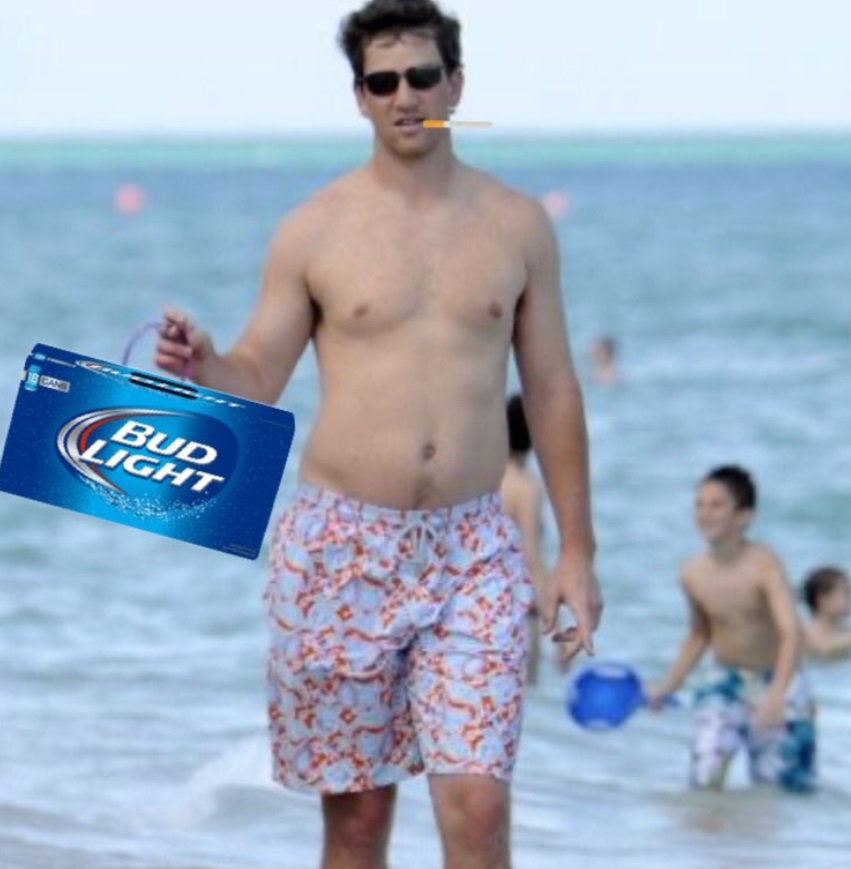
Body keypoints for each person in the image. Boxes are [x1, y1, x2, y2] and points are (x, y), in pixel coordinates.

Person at [155, 1, 601, 865]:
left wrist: (577, 548)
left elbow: (550, 388)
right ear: (359, 97)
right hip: (339, 543)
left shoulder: (516, 225)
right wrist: (203, 363)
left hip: (473, 545)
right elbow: (256, 376)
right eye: (382, 81)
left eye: (422, 76)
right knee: (355, 823)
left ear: (456, 84)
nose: (405, 96)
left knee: (476, 809)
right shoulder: (313, 229)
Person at [647, 465, 816, 794]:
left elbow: (791, 631)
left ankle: (765, 845)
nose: (705, 513)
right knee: (704, 780)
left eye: (716, 505)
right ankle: (708, 842)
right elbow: (700, 634)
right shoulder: (692, 572)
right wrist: (669, 684)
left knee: (784, 791)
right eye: (699, 504)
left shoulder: (764, 564)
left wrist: (777, 694)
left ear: (744, 516)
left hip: (780, 680)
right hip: (725, 682)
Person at [499, 393, 546, 686]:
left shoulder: (479, 475)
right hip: (514, 607)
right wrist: (558, 625)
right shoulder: (525, 487)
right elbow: (532, 557)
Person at [800, 565, 851, 659]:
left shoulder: (844, 630)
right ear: (822, 598)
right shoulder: (806, 636)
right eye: (845, 592)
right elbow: (823, 648)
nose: (849, 598)